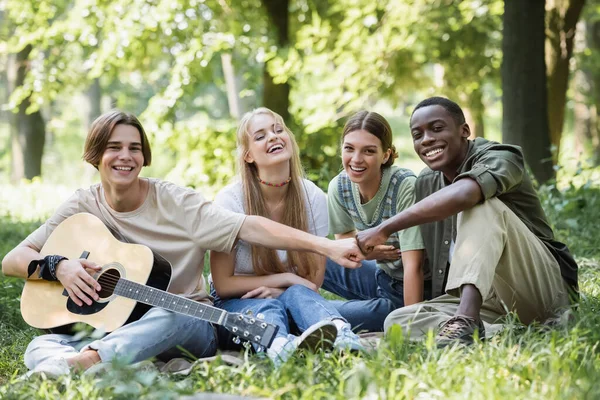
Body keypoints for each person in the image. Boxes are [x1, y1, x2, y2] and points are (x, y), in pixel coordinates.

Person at [1, 110, 363, 376]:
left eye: (134, 148)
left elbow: (250, 227)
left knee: (173, 311)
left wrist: (325, 246)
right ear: (95, 155)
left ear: (144, 157)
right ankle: (114, 361)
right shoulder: (81, 205)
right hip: (117, 326)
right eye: (114, 147)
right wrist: (59, 266)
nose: (125, 156)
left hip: (189, 323)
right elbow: (13, 258)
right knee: (39, 346)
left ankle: (91, 362)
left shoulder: (176, 202)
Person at [356, 97, 578, 347]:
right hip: (491, 301)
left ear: (464, 131)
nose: (426, 139)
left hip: (540, 287)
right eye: (417, 135)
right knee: (398, 321)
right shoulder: (427, 183)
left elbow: (466, 194)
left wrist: (385, 228)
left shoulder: (502, 156)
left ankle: (467, 320)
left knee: (482, 203)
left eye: (437, 128)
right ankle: (512, 332)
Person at [210, 107, 364, 367]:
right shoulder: (231, 200)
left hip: (296, 295)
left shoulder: (312, 197)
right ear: (247, 155)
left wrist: (283, 289)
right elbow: (223, 284)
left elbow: (312, 282)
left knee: (299, 296)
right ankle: (281, 348)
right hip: (238, 302)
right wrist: (287, 278)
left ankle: (342, 337)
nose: (273, 137)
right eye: (260, 136)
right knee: (269, 309)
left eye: (278, 130)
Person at [322, 110, 429, 331]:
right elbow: (345, 246)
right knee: (309, 255)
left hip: (411, 292)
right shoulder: (339, 187)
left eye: (369, 151)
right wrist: (373, 253)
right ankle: (278, 294)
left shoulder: (404, 185)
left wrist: (410, 324)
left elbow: (414, 266)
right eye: (349, 148)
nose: (356, 159)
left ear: (386, 155)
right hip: (381, 275)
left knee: (322, 317)